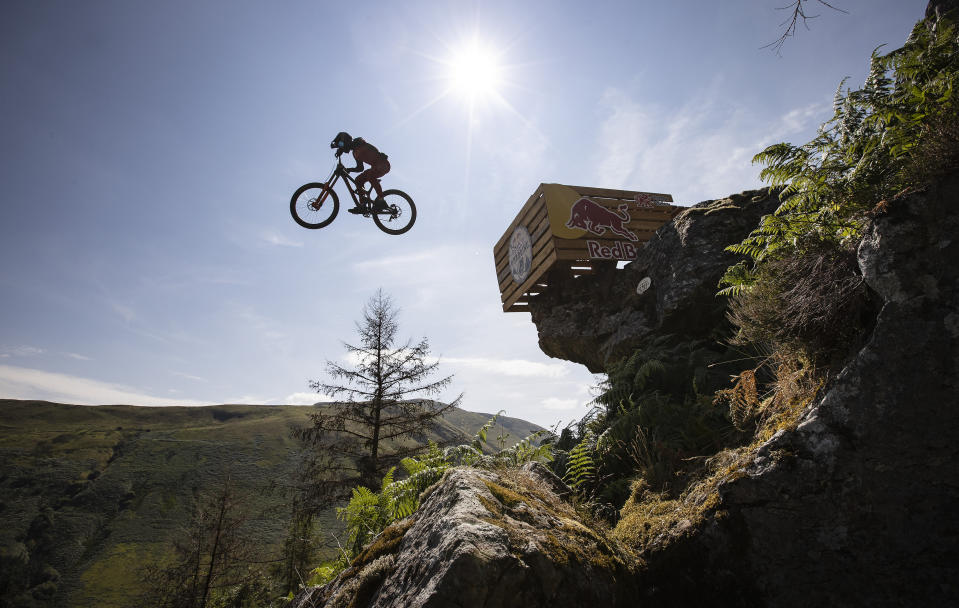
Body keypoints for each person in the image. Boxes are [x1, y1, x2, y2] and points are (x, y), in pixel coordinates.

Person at [329, 131, 391, 214]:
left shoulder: (361, 145)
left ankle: (381, 201)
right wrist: (349, 169)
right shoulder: (355, 153)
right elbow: (360, 168)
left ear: (346, 142)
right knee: (358, 180)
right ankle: (362, 206)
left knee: (370, 175)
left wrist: (341, 147)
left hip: (383, 165)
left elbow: (372, 152)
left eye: (342, 144)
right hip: (375, 167)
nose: (342, 148)